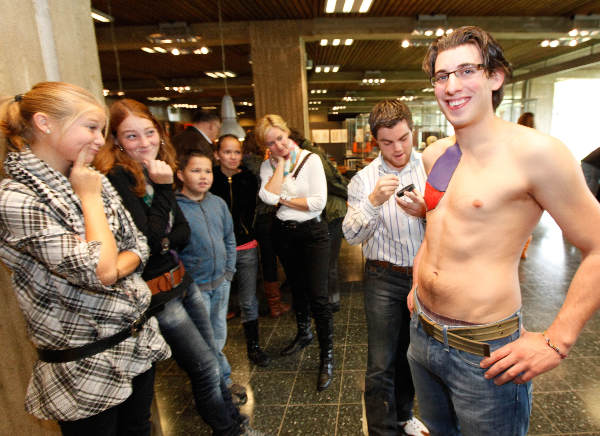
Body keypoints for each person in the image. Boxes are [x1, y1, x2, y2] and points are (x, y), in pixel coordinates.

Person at [408, 26, 600, 436]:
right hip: (422, 336)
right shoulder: (436, 155)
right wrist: (417, 282)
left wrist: (556, 341)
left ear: (495, 77)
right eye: (442, 76)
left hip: (485, 353)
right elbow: (435, 226)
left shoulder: (537, 154)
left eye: (466, 71)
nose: (451, 86)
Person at [0, 82, 170, 435]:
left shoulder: (92, 178)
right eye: (91, 128)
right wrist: (90, 201)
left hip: (134, 341)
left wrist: (116, 261)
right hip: (84, 362)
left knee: (140, 428)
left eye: (102, 131)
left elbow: (138, 244)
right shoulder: (16, 198)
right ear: (45, 124)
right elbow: (100, 270)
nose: (99, 140)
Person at [94, 99, 262, 436]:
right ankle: (229, 430)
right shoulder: (118, 178)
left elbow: (179, 233)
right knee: (202, 365)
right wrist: (164, 191)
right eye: (131, 136)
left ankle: (234, 419)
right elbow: (154, 239)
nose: (144, 143)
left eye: (148, 132)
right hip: (159, 293)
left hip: (183, 282)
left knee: (213, 356)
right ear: (115, 140)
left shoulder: (153, 170)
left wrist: (162, 231)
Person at [342, 99, 429, 436]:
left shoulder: (429, 167)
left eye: (404, 138)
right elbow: (351, 236)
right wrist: (373, 203)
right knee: (381, 363)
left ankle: (404, 416)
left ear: (413, 131)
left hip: (423, 277)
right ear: (375, 141)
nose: (398, 149)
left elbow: (453, 222)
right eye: (387, 142)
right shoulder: (364, 180)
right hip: (382, 276)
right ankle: (380, 431)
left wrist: (426, 213)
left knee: (413, 356)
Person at [255, 115, 333, 391]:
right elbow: (266, 197)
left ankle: (327, 355)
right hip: (284, 234)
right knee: (296, 289)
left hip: (313, 234)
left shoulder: (310, 160)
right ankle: (304, 333)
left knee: (319, 297)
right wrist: (279, 167)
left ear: (288, 133)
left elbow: (317, 203)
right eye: (270, 143)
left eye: (280, 138)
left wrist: (283, 199)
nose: (278, 145)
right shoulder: (268, 165)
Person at [211, 134, 270, 367]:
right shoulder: (211, 179)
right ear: (217, 154)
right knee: (218, 301)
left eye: (236, 152)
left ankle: (253, 347)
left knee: (248, 300)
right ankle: (215, 352)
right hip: (218, 249)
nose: (232, 157)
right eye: (227, 152)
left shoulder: (248, 179)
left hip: (245, 246)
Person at [289, 129, 349, 313]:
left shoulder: (311, 155)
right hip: (325, 211)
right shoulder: (305, 154)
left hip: (330, 212)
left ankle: (331, 302)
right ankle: (325, 302)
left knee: (328, 262)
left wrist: (349, 193)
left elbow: (331, 181)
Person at [244, 131, 291, 318]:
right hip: (268, 216)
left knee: (268, 260)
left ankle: (274, 302)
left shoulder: (244, 165)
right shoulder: (259, 166)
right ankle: (275, 304)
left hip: (256, 220)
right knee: (273, 260)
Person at [517, 112, 535, 258]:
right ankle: (523, 250)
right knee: (527, 223)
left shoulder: (514, 136)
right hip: (532, 183)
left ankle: (519, 249)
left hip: (517, 180)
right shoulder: (536, 138)